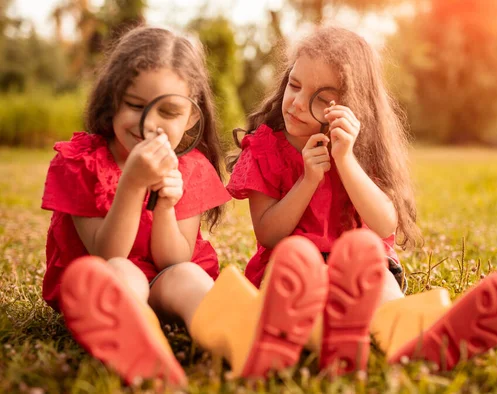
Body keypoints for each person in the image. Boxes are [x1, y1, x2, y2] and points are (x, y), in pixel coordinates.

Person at [226, 26, 497, 374]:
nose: (295, 102)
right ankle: (338, 336)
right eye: (294, 85)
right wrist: (308, 180)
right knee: (296, 292)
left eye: (320, 98)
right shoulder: (265, 148)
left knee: (379, 282)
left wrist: (345, 160)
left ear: (350, 107)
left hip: (361, 263)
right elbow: (268, 234)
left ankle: (421, 337)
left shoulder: (364, 151)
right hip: (292, 267)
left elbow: (385, 223)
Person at [41, 26, 329, 387]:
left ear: (191, 117)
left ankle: (242, 342)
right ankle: (136, 342)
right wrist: (131, 183)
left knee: (189, 275)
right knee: (121, 271)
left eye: (170, 111)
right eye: (134, 105)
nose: (151, 123)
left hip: (163, 278)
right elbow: (105, 254)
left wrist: (165, 205)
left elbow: (173, 260)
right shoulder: (81, 162)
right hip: (106, 280)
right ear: (111, 100)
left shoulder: (190, 167)